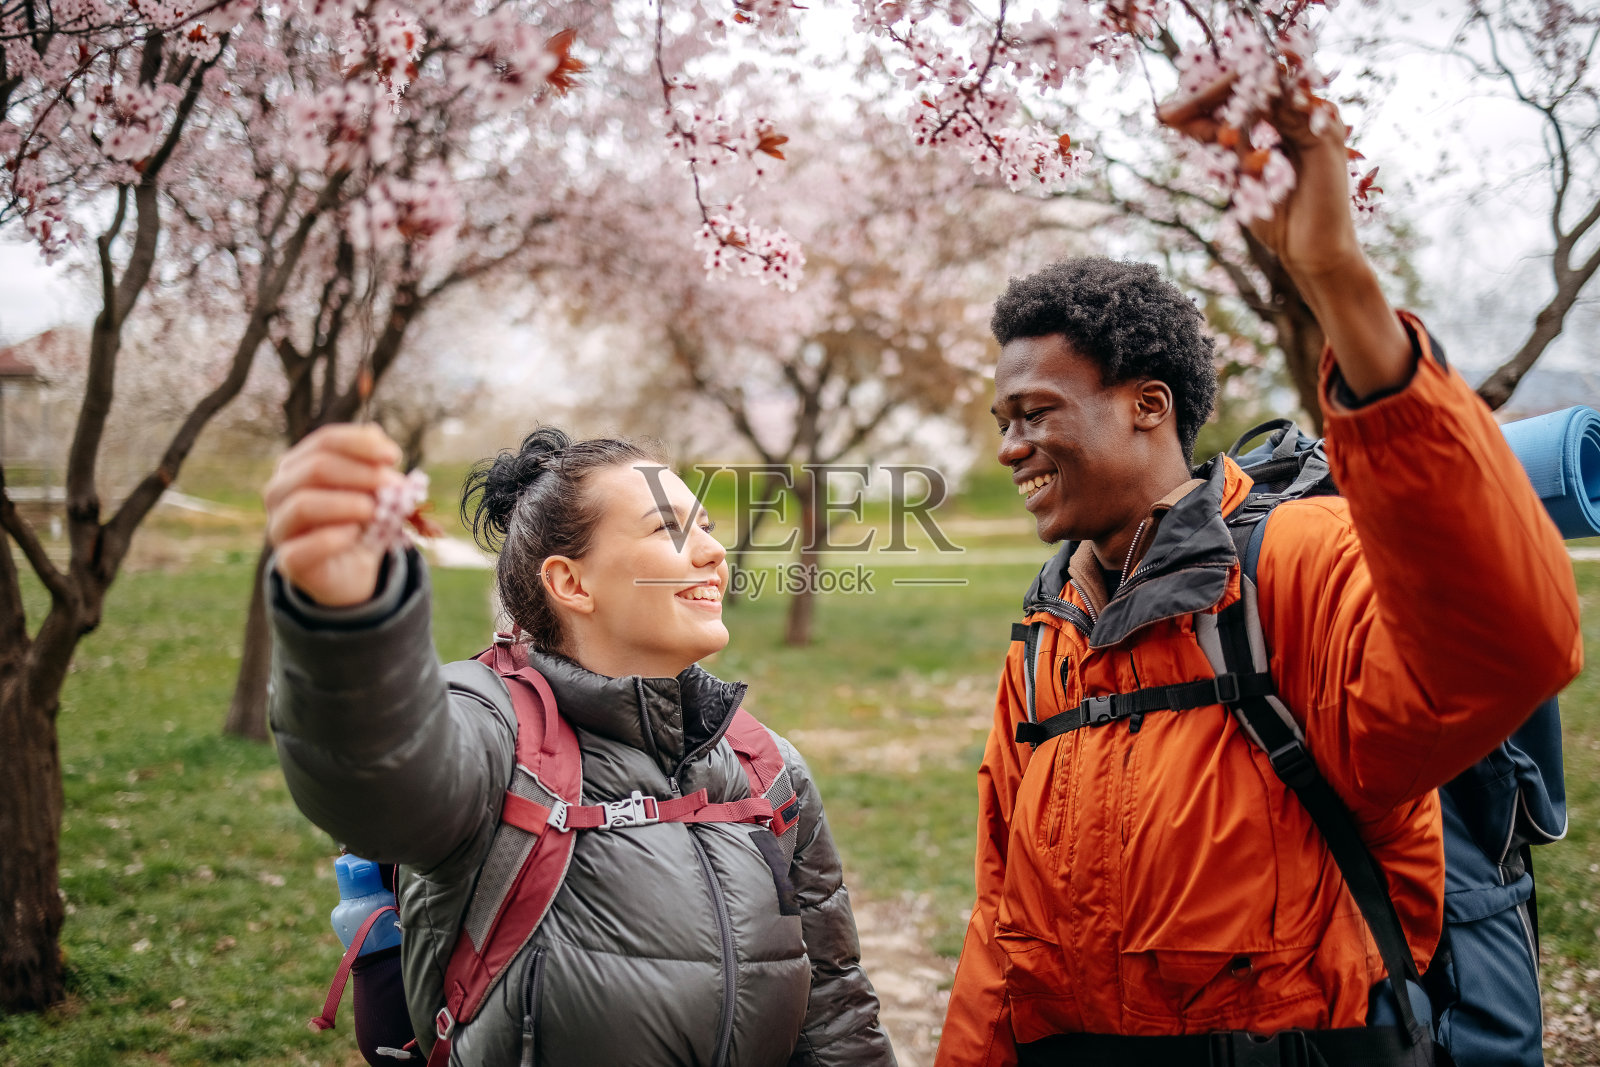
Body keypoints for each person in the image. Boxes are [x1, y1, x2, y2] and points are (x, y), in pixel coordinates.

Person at [934, 94, 1584, 1065]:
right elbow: (1002, 922)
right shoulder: (1047, 633)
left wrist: (1335, 278)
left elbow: (1502, 646)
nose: (1010, 446)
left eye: (1034, 412)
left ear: (1148, 405)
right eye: (1003, 422)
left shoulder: (1296, 561)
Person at [264, 425, 896, 1066]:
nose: (712, 552)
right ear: (571, 583)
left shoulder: (767, 766)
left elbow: (836, 1008)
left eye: (705, 527)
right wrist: (346, 624)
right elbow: (379, 781)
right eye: (669, 530)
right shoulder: (494, 731)